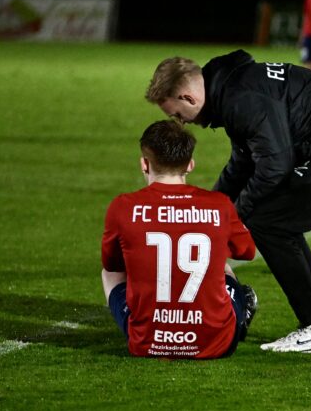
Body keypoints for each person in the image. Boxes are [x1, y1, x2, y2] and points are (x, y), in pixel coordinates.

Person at [145, 51, 311, 353]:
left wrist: (233, 218)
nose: (180, 122)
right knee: (278, 221)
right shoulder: (229, 88)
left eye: (176, 114)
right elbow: (243, 162)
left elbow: (275, 164)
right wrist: (211, 214)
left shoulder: (239, 98)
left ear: (187, 97)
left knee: (269, 223)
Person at [101, 120, 259, 359]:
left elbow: (112, 264)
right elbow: (246, 252)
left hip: (148, 344)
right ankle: (238, 312)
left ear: (144, 164)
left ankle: (151, 322)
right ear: (190, 165)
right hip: (216, 344)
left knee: (111, 271)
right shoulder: (218, 205)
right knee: (221, 263)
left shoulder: (123, 206)